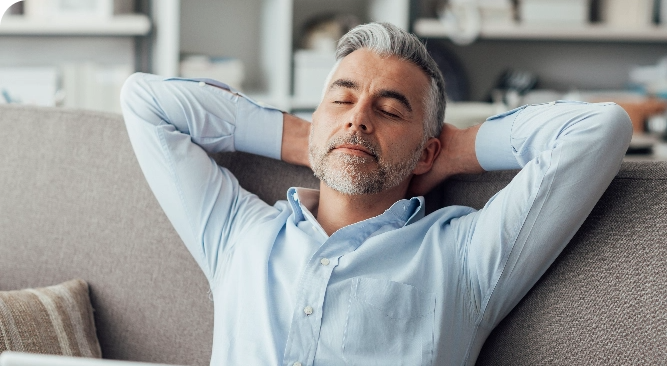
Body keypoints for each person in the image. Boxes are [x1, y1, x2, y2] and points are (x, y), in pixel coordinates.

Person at [120, 22, 632, 366]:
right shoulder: (237, 233)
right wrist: (311, 141)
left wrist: (458, 149)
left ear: (427, 152)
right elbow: (144, 101)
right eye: (341, 99)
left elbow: (598, 128)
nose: (358, 117)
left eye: (389, 111)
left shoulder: (464, 255)